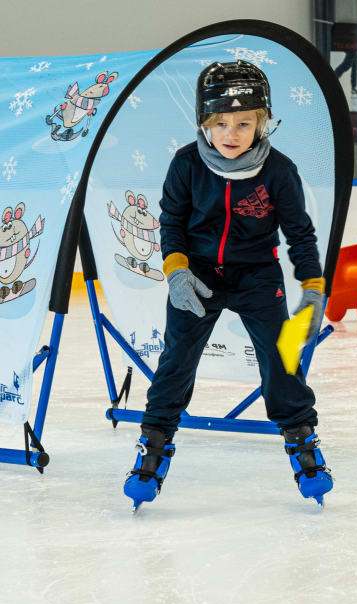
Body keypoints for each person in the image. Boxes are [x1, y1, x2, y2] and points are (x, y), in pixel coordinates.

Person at [123, 60, 332, 510]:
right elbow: (171, 222)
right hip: (196, 275)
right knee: (176, 361)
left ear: (262, 121)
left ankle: (301, 438)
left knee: (282, 357)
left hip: (257, 274)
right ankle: (154, 442)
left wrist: (314, 288)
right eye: (220, 122)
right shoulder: (186, 164)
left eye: (243, 122)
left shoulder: (278, 170)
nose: (231, 133)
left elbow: (300, 233)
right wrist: (177, 272)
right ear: (204, 122)